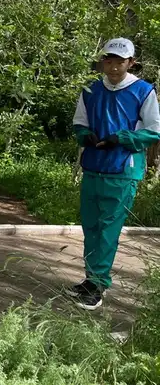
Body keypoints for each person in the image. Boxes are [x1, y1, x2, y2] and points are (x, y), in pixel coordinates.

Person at [69, 37, 160, 310]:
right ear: (103, 61)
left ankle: (98, 284)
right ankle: (90, 278)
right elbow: (79, 122)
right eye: (109, 60)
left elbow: (153, 130)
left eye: (121, 61)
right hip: (94, 167)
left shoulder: (143, 91)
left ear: (131, 62)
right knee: (91, 225)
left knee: (108, 229)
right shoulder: (91, 89)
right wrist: (85, 135)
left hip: (122, 170)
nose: (114, 66)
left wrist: (120, 138)